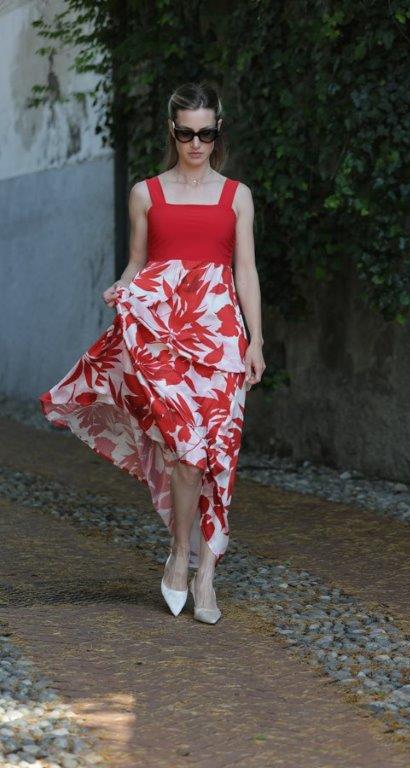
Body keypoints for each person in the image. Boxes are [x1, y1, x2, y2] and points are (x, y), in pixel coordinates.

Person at [39, 81, 265, 625]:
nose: (196, 144)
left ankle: (206, 573)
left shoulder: (237, 195)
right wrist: (122, 289)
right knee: (186, 451)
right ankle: (179, 555)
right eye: (186, 134)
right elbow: (138, 262)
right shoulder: (146, 192)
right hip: (161, 337)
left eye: (206, 134)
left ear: (218, 131)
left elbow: (245, 270)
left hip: (220, 339)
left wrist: (256, 340)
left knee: (218, 453)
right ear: (172, 131)